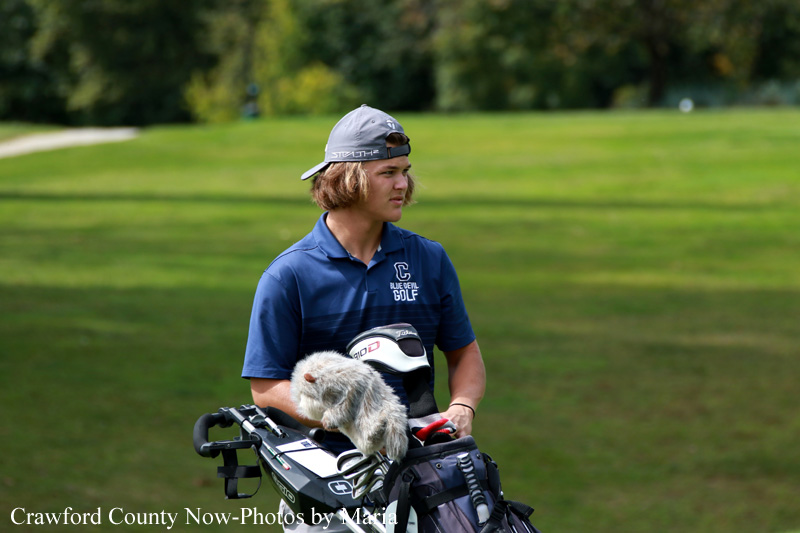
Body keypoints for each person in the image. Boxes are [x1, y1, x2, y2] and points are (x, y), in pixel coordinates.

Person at [241, 104, 486, 530]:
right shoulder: (289, 275)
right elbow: (265, 387)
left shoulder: (429, 259)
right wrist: (350, 417)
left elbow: (464, 353)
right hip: (329, 487)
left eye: (405, 171)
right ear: (348, 179)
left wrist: (463, 405)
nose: (403, 184)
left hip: (426, 481)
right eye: (388, 173)